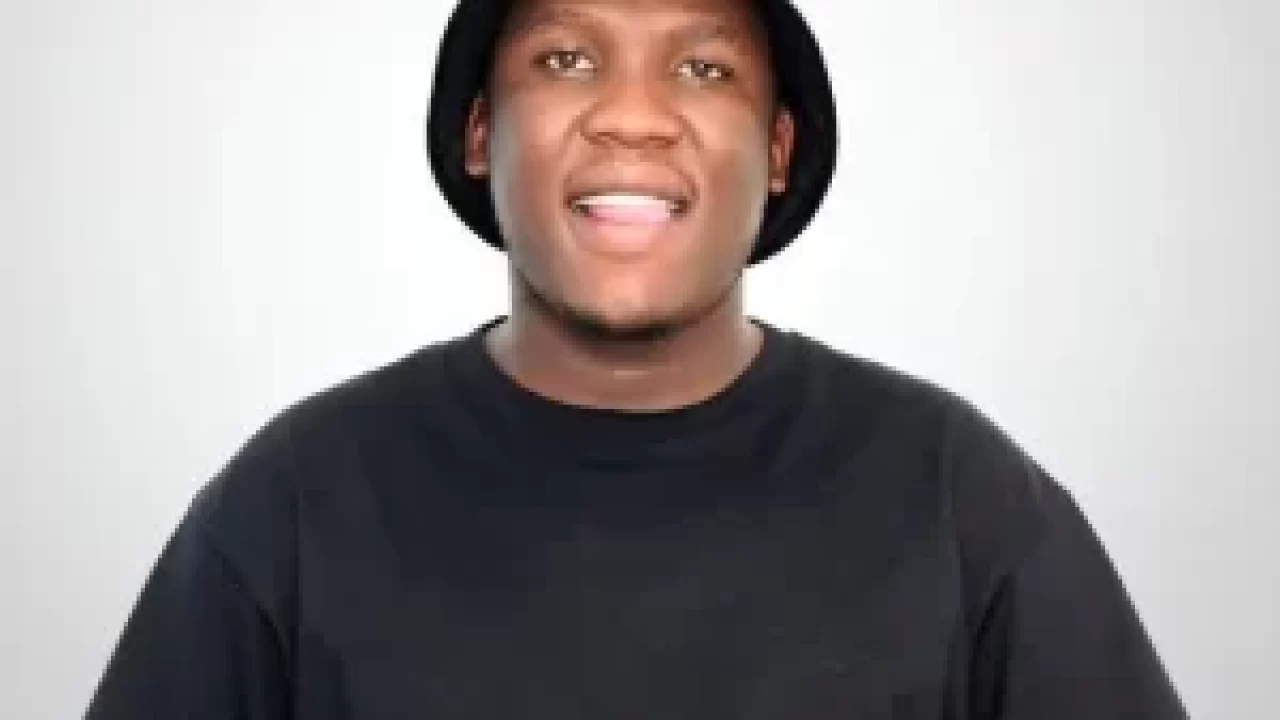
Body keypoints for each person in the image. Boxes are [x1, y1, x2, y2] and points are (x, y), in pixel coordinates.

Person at [87, 0, 1188, 717]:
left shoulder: (955, 496)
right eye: (566, 58)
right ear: (479, 132)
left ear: (778, 148)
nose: (632, 116)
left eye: (703, 67)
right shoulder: (295, 499)